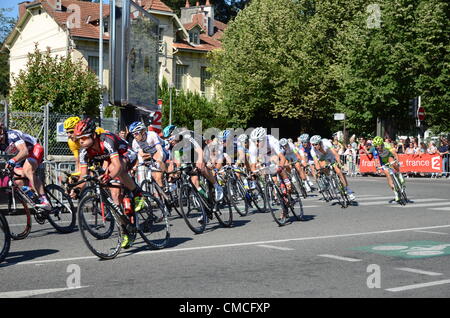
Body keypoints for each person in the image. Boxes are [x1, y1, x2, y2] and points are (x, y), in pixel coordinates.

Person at [71, 118, 142, 249]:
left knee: (117, 170)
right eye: (79, 138)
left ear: (93, 135)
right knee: (114, 196)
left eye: (84, 138)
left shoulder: (106, 140)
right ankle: (125, 229)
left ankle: (137, 192)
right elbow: (83, 175)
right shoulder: (84, 152)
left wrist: (108, 176)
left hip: (126, 154)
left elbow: (117, 166)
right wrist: (77, 189)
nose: (81, 141)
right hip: (109, 160)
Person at [0, 123, 50, 209]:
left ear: (1, 131)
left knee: (28, 170)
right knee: (17, 179)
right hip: (22, 156)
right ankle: (33, 193)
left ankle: (44, 200)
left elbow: (24, 151)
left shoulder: (11, 135)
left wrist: (13, 160)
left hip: (34, 148)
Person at [310, 135, 356, 200]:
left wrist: (339, 163)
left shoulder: (326, 142)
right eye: (313, 144)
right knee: (322, 166)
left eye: (316, 144)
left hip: (331, 156)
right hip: (323, 159)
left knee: (339, 172)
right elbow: (316, 162)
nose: (314, 146)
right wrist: (318, 171)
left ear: (320, 143)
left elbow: (335, 153)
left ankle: (347, 190)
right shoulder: (312, 150)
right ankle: (328, 178)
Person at [364, 136, 404, 202]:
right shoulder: (374, 149)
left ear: (381, 144)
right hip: (383, 161)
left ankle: (399, 174)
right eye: (376, 146)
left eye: (378, 145)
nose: (377, 147)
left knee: (392, 163)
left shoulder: (387, 145)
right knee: (387, 174)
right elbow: (376, 159)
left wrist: (397, 161)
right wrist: (378, 167)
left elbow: (394, 153)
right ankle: (396, 192)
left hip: (389, 156)